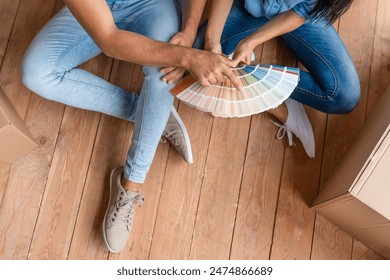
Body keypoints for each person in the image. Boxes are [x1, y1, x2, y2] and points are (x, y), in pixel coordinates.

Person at [20, 0, 241, 253]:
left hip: (154, 4)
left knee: (163, 75)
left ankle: (131, 183)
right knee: (35, 72)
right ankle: (148, 114)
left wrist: (190, 31)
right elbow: (109, 39)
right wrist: (188, 57)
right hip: (97, 11)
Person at [202, 0, 360, 158]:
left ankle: (271, 86)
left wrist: (252, 41)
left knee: (344, 96)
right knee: (199, 64)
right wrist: (211, 42)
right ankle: (259, 85)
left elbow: (303, 11)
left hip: (297, 16)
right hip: (247, 6)